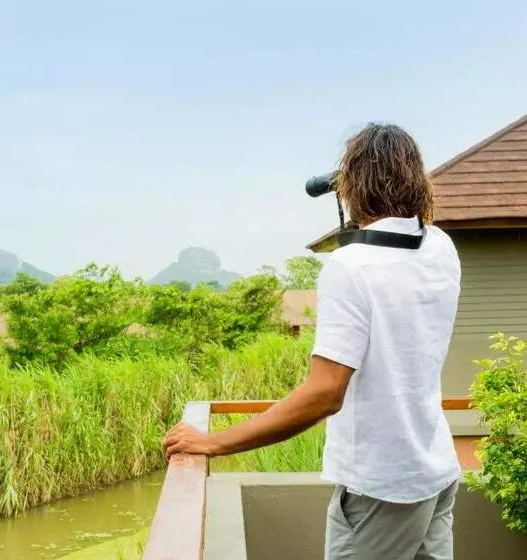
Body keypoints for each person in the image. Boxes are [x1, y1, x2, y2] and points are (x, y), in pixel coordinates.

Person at [162, 122, 462, 559]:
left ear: (353, 186)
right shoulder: (441, 247)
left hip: (382, 486)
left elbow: (324, 394)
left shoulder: (350, 266)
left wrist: (216, 441)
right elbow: (407, 238)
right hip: (437, 472)